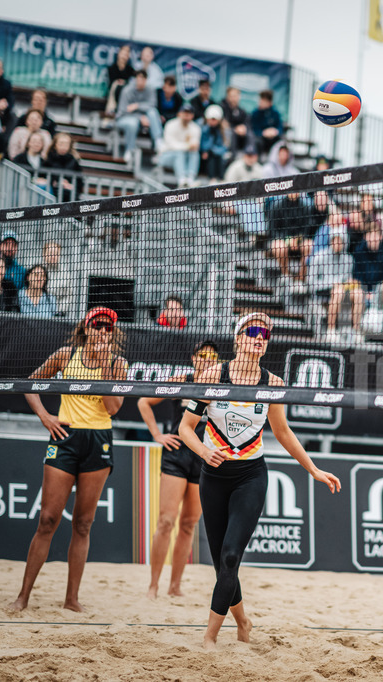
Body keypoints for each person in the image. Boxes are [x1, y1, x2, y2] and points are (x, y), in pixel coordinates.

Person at [177, 312, 340, 649]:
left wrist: (314, 469)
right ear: (238, 338)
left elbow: (282, 432)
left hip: (250, 476)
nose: (259, 337)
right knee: (222, 559)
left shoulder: (273, 384)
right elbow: (184, 429)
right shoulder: (213, 375)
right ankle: (243, 621)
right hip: (213, 476)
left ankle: (209, 637)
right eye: (252, 331)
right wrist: (204, 453)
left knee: (232, 556)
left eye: (264, 334)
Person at [9, 307, 129, 612]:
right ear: (86, 328)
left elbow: (114, 408)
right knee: (47, 519)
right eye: (98, 325)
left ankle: (71, 599)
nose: (103, 331)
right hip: (65, 437)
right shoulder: (66, 355)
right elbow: (30, 383)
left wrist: (104, 366)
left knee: (83, 524)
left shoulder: (118, 364)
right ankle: (22, 597)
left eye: (108, 328)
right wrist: (44, 416)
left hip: (98, 441)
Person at [139, 340, 220, 599]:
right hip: (176, 455)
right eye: (202, 355)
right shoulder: (180, 380)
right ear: (194, 358)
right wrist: (157, 434)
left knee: (188, 525)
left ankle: (175, 587)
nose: (207, 359)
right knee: (166, 521)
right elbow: (143, 402)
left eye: (212, 356)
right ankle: (153, 586)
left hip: (204, 458)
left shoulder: (222, 384)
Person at [307, 226, 362, 340]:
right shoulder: (318, 257)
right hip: (322, 293)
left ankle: (356, 331)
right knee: (338, 291)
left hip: (342, 292)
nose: (337, 243)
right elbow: (311, 284)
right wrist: (332, 284)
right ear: (330, 241)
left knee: (358, 293)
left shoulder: (349, 260)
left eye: (340, 241)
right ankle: (330, 330)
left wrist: (351, 283)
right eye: (334, 240)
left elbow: (347, 279)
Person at [115, 70, 163, 161]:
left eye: (143, 79)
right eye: (139, 78)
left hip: (145, 120)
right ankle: (130, 150)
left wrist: (137, 106)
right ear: (135, 79)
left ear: (146, 80)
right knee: (133, 123)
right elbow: (124, 111)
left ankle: (158, 141)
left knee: (153, 112)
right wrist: (140, 117)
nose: (141, 81)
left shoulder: (150, 90)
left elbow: (152, 105)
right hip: (124, 118)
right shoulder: (127, 91)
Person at [160, 102, 200, 187]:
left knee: (194, 153)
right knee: (179, 152)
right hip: (166, 156)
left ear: (192, 115)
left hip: (185, 158)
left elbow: (195, 145)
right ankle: (181, 179)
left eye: (189, 113)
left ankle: (190, 178)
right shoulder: (170, 124)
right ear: (179, 114)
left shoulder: (195, 128)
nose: (186, 116)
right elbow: (171, 145)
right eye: (184, 113)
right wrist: (187, 146)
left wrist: (188, 146)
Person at [43, 132, 84, 203]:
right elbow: (42, 177)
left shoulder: (74, 161)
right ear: (55, 145)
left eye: (66, 144)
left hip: (70, 194)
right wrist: (58, 182)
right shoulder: (48, 159)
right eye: (61, 143)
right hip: (51, 193)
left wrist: (71, 185)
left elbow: (79, 181)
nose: (63, 147)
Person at [199, 104, 228, 183]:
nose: (212, 121)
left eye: (214, 119)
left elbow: (225, 146)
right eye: (211, 119)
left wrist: (214, 150)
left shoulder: (223, 130)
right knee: (211, 156)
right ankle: (212, 178)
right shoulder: (204, 129)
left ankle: (221, 178)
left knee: (218, 156)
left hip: (218, 153)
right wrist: (208, 150)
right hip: (208, 154)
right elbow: (203, 144)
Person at [249, 89, 282, 155]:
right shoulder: (255, 113)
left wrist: (275, 131)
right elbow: (254, 128)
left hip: (273, 138)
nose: (260, 102)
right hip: (261, 138)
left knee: (281, 142)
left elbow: (280, 127)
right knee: (257, 141)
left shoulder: (275, 113)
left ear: (269, 102)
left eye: (263, 100)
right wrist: (263, 133)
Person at [105, 45, 135, 115]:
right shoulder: (111, 68)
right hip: (113, 92)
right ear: (119, 54)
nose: (124, 57)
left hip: (126, 93)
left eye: (126, 54)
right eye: (123, 54)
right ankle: (111, 110)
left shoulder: (130, 70)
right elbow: (110, 82)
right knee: (115, 85)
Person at [221, 86, 249, 154]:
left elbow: (246, 122)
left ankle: (249, 154)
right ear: (228, 97)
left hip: (239, 133)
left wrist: (243, 127)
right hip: (227, 132)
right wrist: (235, 128)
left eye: (236, 96)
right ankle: (232, 156)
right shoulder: (222, 107)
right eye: (232, 96)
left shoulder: (241, 110)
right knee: (230, 132)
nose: (234, 98)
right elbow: (225, 123)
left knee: (250, 134)